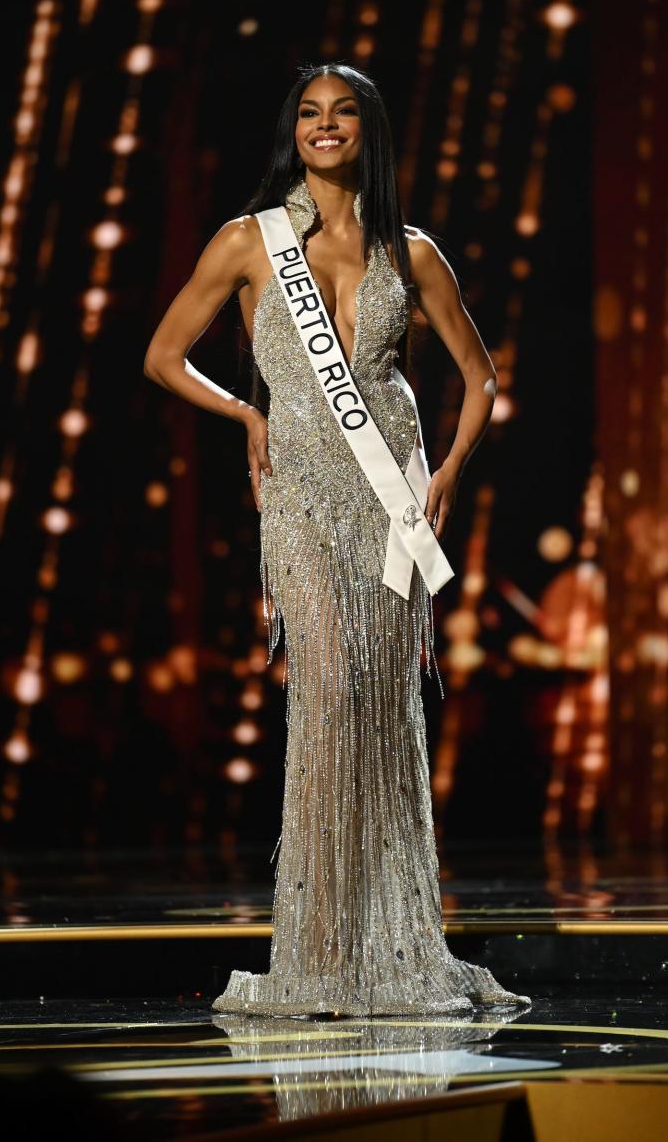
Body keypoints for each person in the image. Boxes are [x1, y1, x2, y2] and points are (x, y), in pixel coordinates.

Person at [143, 61, 530, 1018]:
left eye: (343, 113)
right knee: (326, 692)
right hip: (304, 497)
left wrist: (447, 473)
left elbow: (481, 381)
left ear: (368, 130)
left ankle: (391, 942)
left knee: (384, 708)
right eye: (310, 114)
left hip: (391, 495)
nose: (326, 127)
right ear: (294, 132)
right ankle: (316, 951)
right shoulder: (248, 241)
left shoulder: (413, 251)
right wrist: (243, 414)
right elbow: (160, 354)